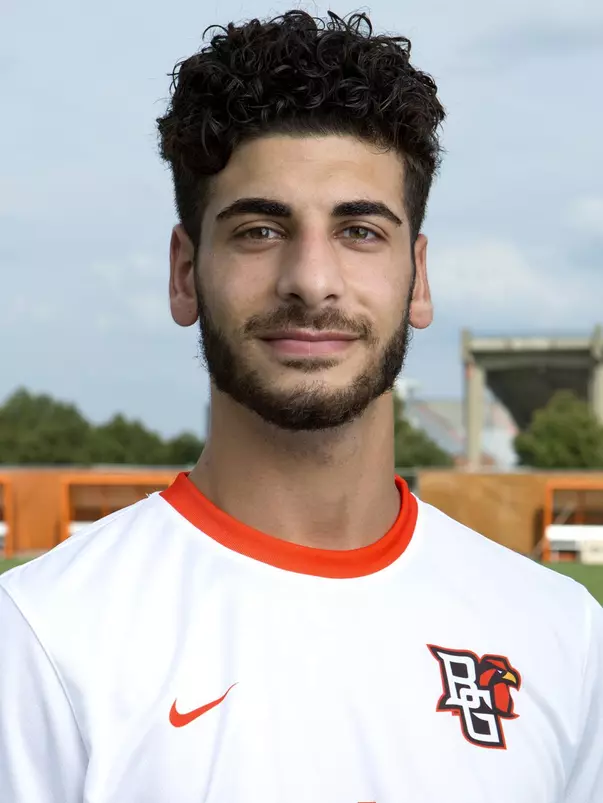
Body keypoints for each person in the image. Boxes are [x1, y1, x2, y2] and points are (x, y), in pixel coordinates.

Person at [1, 10, 601, 802]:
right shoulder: (41, 638)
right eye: (258, 229)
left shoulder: (559, 633)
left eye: (358, 230)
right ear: (185, 273)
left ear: (417, 279)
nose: (310, 280)